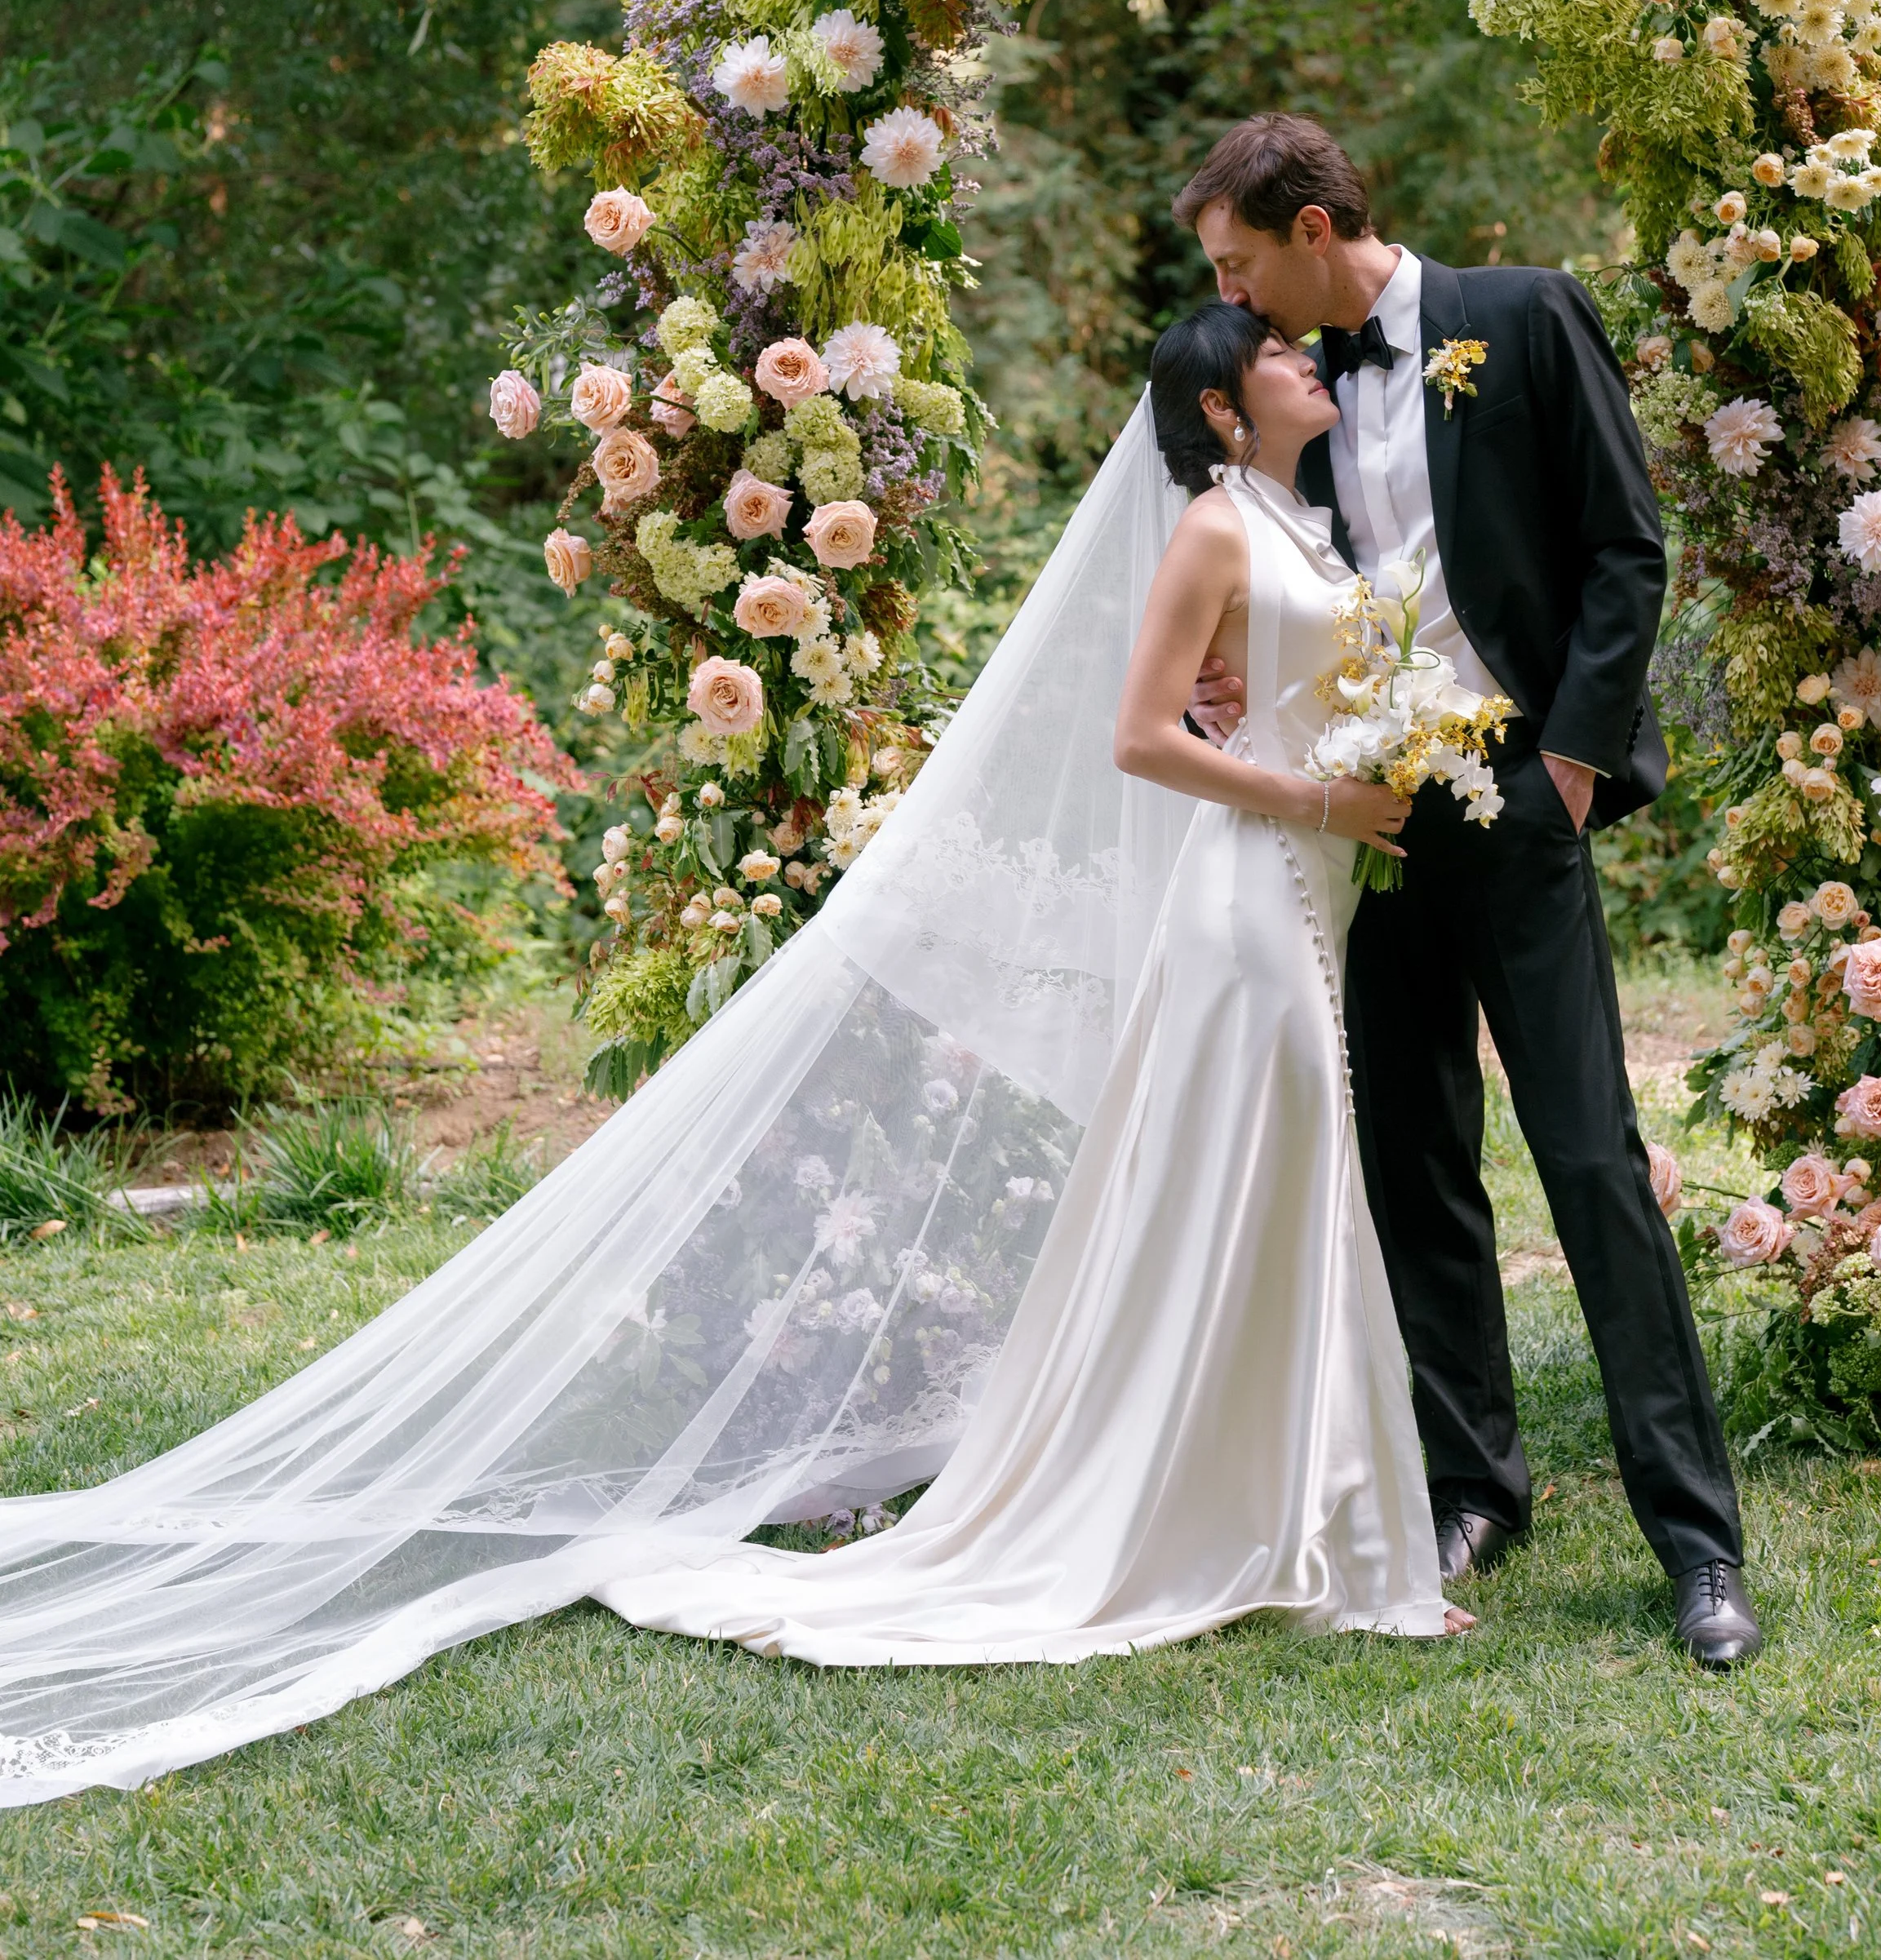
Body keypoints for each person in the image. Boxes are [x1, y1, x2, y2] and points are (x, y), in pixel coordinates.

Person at [0, 311, 1462, 1808]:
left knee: (1286, 1180)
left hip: (1311, 888)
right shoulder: (1220, 527)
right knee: (1266, 1175)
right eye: (1282, 357)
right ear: (1222, 410)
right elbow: (1141, 736)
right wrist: (1313, 796)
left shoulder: (1304, 518)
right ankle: (1250, 1518)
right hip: (1249, 898)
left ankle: (1301, 1510)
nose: (1313, 365)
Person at [1175, 112, 1759, 1672]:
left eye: (1241, 260)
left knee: (1590, 1158)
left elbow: (1628, 550)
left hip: (1523, 804)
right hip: (1369, 820)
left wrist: (1571, 762)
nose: (1235, 298)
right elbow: (1258, 579)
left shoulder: (1521, 313)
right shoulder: (1281, 402)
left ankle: (1698, 1543)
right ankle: (1470, 1484)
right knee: (1413, 1156)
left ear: (1312, 225)